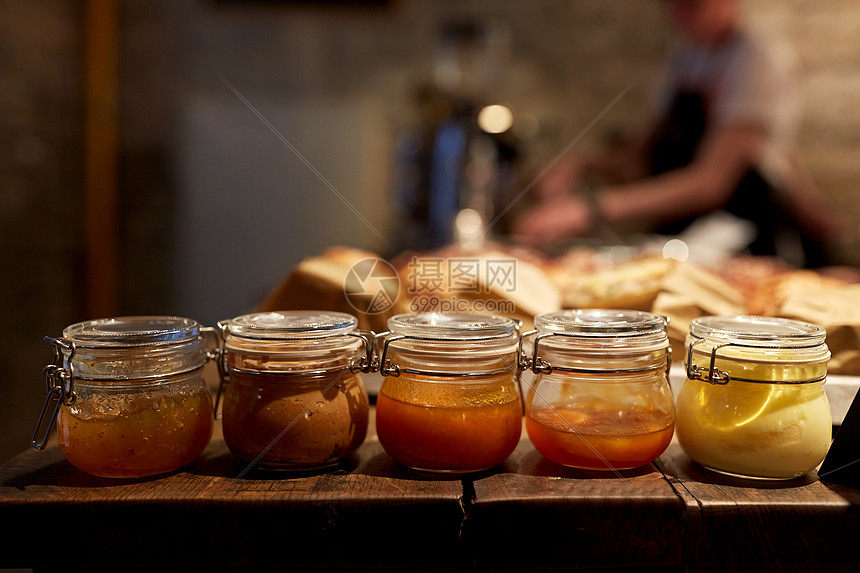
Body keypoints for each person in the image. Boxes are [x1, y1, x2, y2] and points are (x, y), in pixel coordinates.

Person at [514, 0, 843, 267]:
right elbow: (639, 158)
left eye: (693, 4)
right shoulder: (687, 59)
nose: (680, 14)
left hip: (743, 234)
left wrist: (589, 210)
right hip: (688, 232)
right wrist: (580, 166)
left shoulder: (756, 59)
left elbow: (711, 182)